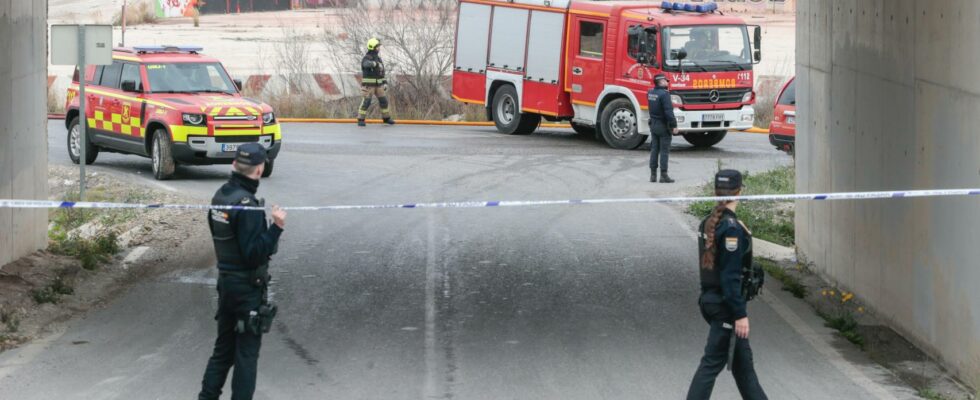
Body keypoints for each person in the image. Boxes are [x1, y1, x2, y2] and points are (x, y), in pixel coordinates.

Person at [198, 143, 287, 400]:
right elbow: (255, 253)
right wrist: (276, 227)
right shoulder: (247, 205)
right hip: (247, 287)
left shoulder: (221, 196)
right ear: (259, 170)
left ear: (234, 165)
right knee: (246, 355)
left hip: (226, 284)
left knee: (223, 351)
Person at [686, 169, 768, 400]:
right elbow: (730, 277)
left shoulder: (711, 222)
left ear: (715, 192)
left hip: (712, 300)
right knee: (711, 364)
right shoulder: (731, 228)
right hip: (725, 306)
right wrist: (740, 314)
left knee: (744, 369)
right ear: (739, 192)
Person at [357, 37, 395, 127]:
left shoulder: (378, 59)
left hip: (379, 85)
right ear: (373, 47)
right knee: (366, 102)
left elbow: (381, 72)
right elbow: (365, 64)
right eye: (377, 46)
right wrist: (374, 64)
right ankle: (361, 119)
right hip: (369, 86)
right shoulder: (367, 58)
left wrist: (385, 82)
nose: (379, 48)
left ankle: (386, 118)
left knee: (384, 101)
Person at [648, 73, 678, 183]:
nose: (667, 82)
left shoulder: (650, 92)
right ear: (660, 82)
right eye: (666, 80)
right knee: (664, 151)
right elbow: (668, 112)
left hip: (653, 124)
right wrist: (674, 125)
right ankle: (663, 175)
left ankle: (653, 175)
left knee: (654, 149)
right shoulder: (664, 95)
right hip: (663, 126)